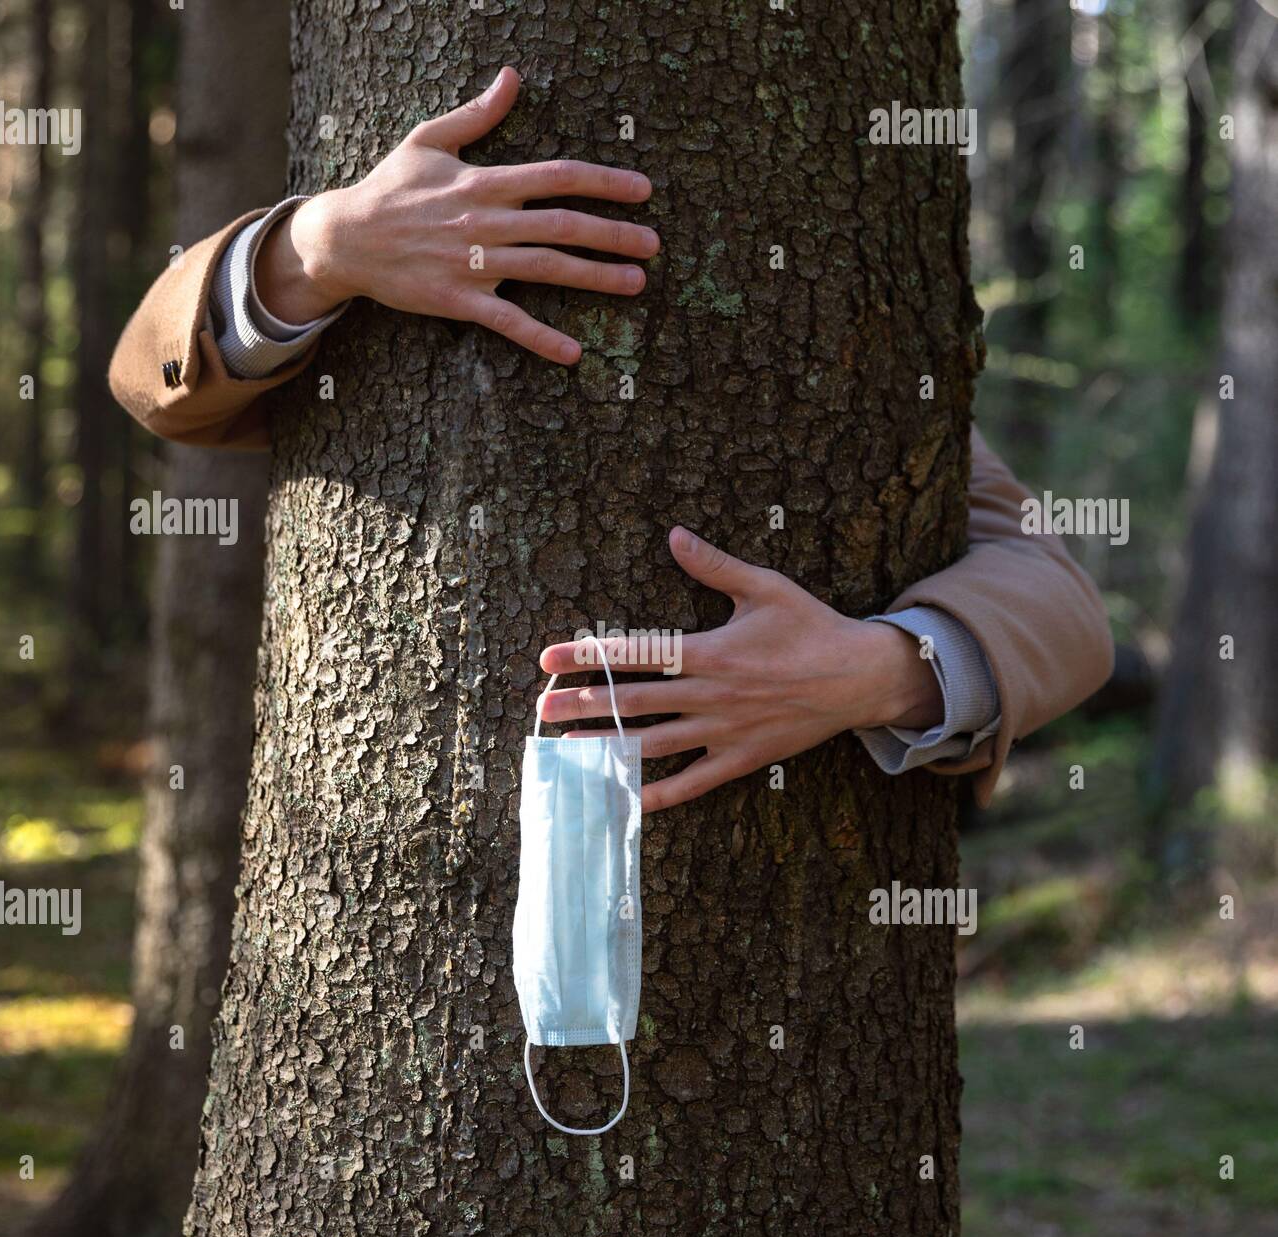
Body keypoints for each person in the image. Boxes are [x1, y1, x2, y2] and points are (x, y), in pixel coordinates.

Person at [108, 67, 1113, 815]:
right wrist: (319, 250)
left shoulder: (873, 372)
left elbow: (1061, 601)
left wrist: (875, 671)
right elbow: (152, 384)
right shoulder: (341, 259)